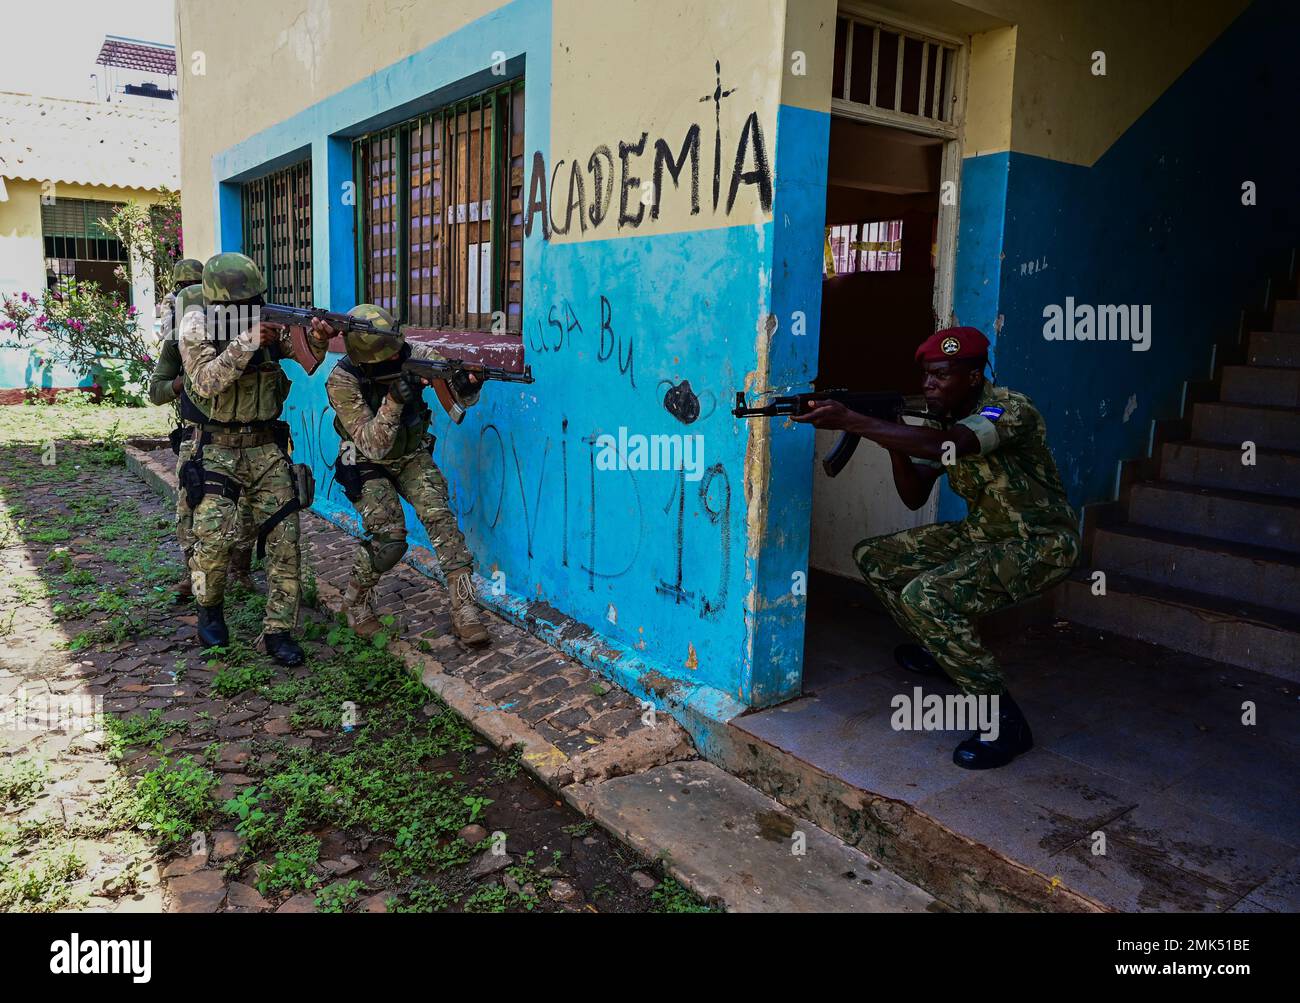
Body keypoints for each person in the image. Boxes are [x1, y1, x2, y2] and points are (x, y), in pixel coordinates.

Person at [793, 326, 1080, 770]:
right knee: (876, 557)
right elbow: (914, 494)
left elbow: (953, 445)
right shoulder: (944, 419)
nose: (928, 384)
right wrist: (888, 434)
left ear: (971, 376)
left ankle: (1005, 723)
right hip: (983, 534)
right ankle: (945, 651)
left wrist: (855, 420)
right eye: (926, 375)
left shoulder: (1004, 407)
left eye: (941, 375)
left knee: (926, 596)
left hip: (1041, 544)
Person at [178, 252, 335, 665]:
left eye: (255, 302)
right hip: (215, 447)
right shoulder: (194, 325)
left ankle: (279, 631)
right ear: (218, 303)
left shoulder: (264, 323)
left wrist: (316, 336)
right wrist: (246, 340)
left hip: (266, 446)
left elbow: (302, 356)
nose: (250, 310)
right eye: (240, 305)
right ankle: (209, 610)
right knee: (211, 540)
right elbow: (206, 380)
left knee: (286, 538)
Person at [325, 304, 490, 646]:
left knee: (441, 521)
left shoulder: (416, 354)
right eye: (387, 357)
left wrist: (467, 385)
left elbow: (459, 398)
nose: (396, 357)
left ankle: (465, 608)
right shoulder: (342, 380)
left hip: (411, 453)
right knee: (390, 539)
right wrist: (394, 400)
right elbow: (373, 445)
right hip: (364, 457)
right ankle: (355, 601)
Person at [148, 258, 256, 597]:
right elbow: (156, 390)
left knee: (247, 513)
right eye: (184, 288)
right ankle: (196, 581)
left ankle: (239, 570)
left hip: (247, 437)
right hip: (198, 437)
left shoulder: (241, 325)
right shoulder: (179, 337)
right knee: (191, 515)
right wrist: (183, 383)